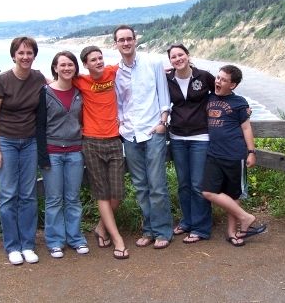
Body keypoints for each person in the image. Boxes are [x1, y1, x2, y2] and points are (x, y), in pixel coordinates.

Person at [0, 36, 46, 265]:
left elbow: (60, 83)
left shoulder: (38, 78)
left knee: (28, 195)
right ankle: (12, 246)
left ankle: (28, 244)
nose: (25, 57)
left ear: (34, 55)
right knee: (9, 194)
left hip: (30, 142)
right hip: (7, 142)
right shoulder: (2, 81)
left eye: (29, 53)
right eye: (21, 53)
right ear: (13, 55)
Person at [113, 25, 173, 249]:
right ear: (116, 44)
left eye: (129, 39)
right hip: (129, 135)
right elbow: (119, 103)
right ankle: (149, 230)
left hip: (152, 131)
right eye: (121, 40)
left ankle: (163, 231)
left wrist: (162, 123)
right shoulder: (116, 72)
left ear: (135, 40)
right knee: (140, 186)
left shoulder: (153, 63)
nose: (126, 43)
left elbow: (163, 96)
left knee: (157, 185)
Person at [72, 45, 129, 260]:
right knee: (102, 193)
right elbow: (55, 81)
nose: (98, 62)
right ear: (85, 65)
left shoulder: (112, 72)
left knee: (118, 193)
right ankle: (117, 239)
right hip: (92, 141)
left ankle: (100, 228)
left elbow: (136, 69)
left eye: (100, 58)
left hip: (114, 140)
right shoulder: (81, 80)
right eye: (93, 60)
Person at [202, 65, 267, 247]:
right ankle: (245, 217)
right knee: (208, 191)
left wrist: (252, 152)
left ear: (233, 85)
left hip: (235, 155)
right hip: (214, 153)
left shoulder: (240, 103)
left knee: (233, 194)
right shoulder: (209, 98)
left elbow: (246, 128)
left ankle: (233, 232)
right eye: (218, 77)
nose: (218, 81)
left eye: (224, 80)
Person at [36, 51, 88, 258]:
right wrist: (43, 156)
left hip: (76, 151)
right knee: (54, 199)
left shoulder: (80, 91)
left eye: (71, 65)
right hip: (52, 152)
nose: (67, 68)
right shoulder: (45, 92)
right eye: (62, 65)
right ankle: (55, 241)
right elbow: (39, 126)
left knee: (73, 198)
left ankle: (76, 238)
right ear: (55, 68)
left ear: (75, 68)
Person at [166, 43, 215, 244]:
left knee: (197, 184)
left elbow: (221, 93)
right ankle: (187, 221)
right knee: (183, 184)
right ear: (169, 61)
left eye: (181, 55)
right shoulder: (167, 79)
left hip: (200, 137)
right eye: (173, 57)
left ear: (188, 55)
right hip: (177, 137)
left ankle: (201, 227)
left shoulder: (204, 76)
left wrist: (241, 109)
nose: (178, 59)